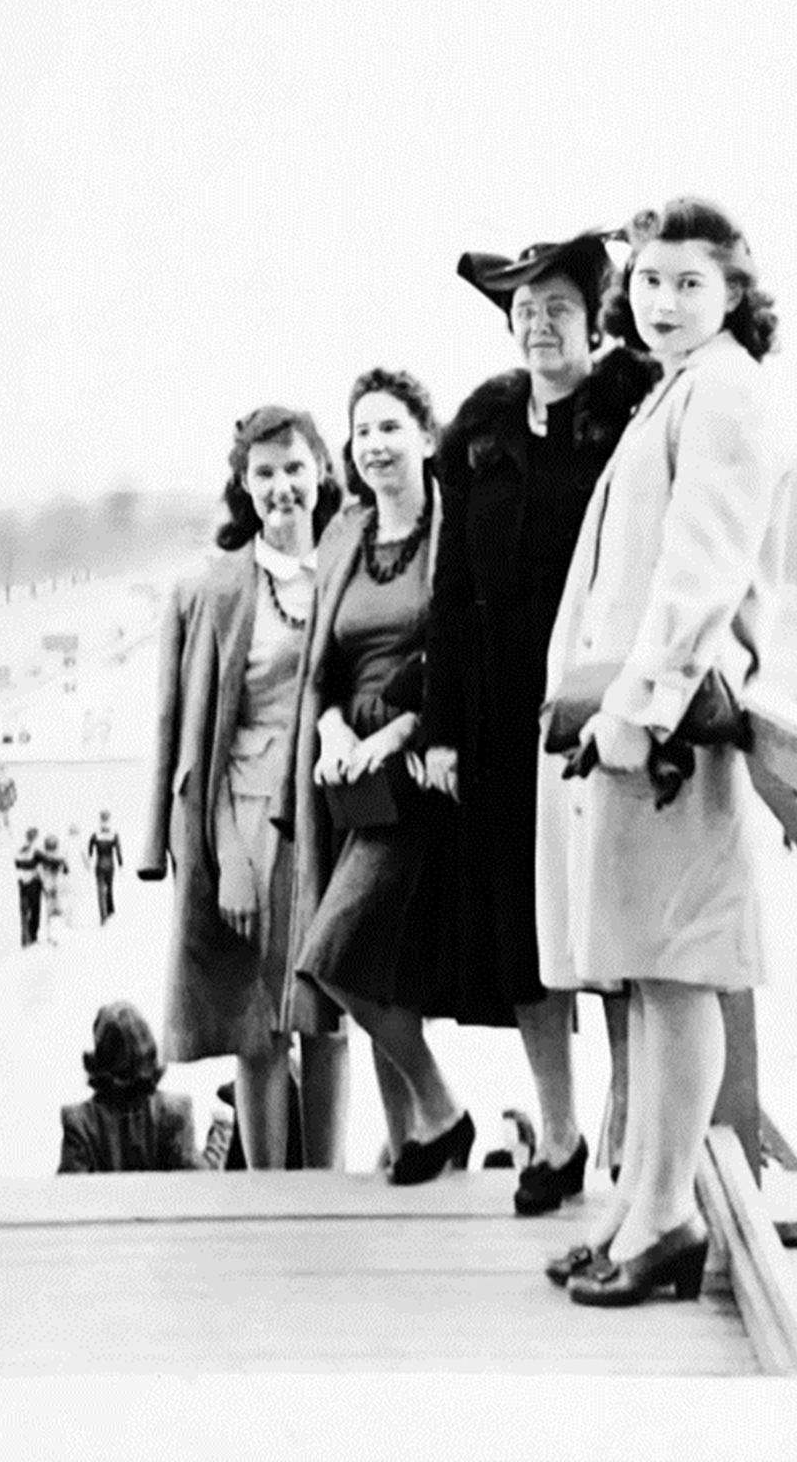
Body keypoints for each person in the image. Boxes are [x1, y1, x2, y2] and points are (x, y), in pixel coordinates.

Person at [540, 198, 786, 1305]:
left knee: (680, 973)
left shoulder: (727, 391)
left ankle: (670, 1218)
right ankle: (641, 1211)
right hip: (647, 727)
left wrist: (637, 712)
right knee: (648, 970)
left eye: (690, 281)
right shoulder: (680, 392)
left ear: (733, 292)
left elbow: (698, 576)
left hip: (675, 733)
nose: (665, 301)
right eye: (647, 281)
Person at [422, 229, 659, 1215]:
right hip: (496, 713)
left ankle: (630, 1123)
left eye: (557, 308)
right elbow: (450, 585)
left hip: (602, 704)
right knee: (526, 931)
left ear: (591, 320)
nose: (539, 326)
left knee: (611, 917)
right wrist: (439, 726)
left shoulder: (629, 416)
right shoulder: (479, 434)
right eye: (523, 312)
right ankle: (555, 1135)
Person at [139, 406, 349, 1169]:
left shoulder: (351, 570)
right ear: (244, 485)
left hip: (335, 816)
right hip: (250, 818)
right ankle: (265, 1194)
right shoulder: (217, 591)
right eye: (264, 473)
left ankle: (324, 1185)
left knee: (329, 1013)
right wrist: (226, 855)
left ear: (322, 471)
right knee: (256, 1021)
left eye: (295, 467)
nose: (282, 486)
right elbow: (201, 749)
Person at [284, 367, 472, 1185]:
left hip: (417, 767)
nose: (375, 446)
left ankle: (442, 1109)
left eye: (391, 428)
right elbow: (319, 666)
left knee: (334, 953)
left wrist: (395, 734)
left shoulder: (452, 530)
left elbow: (457, 647)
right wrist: (329, 733)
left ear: (426, 438)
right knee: (366, 963)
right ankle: (419, 1138)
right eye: (362, 432)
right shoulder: (343, 537)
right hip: (345, 775)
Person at [57, 1001, 201, 1172]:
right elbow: (199, 1185)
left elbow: (69, 1194)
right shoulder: (175, 1111)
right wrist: (221, 1135)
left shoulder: (78, 1121)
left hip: (103, 1200)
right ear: (150, 1049)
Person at [87, 809, 125, 923]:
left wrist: (89, 859)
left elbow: (90, 849)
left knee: (100, 890)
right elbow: (118, 851)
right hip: (110, 864)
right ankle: (110, 910)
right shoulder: (114, 834)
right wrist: (121, 864)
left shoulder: (95, 834)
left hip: (99, 863)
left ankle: (103, 916)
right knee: (109, 887)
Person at [37, 834, 69, 946]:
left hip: (47, 886)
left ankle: (51, 935)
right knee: (58, 910)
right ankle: (58, 935)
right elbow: (66, 871)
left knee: (49, 912)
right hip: (57, 886)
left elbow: (39, 871)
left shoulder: (42, 858)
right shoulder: (60, 857)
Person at [15, 827, 43, 947]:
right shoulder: (36, 850)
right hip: (34, 882)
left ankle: (24, 939)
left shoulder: (20, 850)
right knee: (35, 911)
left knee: (24, 911)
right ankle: (33, 937)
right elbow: (41, 864)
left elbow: (17, 864)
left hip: (22, 883)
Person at [0, 766, 17, 831]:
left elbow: (13, 791)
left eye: (3, 771)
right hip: (1, 801)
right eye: (1, 771)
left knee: (4, 816)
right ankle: (4, 830)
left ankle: (6, 829)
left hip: (3, 801)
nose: (2, 773)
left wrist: (13, 799)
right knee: (2, 817)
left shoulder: (8, 780)